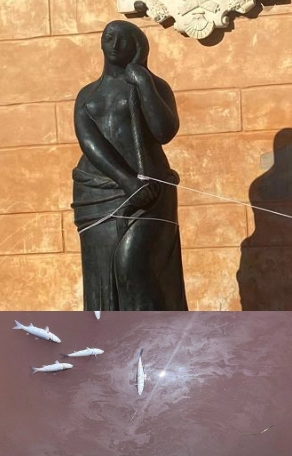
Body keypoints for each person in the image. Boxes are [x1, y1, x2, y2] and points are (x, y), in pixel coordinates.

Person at [72, 20, 188, 311]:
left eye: (123, 40)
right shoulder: (87, 95)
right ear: (101, 43)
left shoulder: (154, 85)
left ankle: (157, 346)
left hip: (150, 192)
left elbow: (164, 131)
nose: (114, 44)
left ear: (136, 47)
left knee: (133, 266)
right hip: (99, 194)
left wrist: (144, 83)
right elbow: (90, 144)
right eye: (109, 37)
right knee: (103, 276)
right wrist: (126, 180)